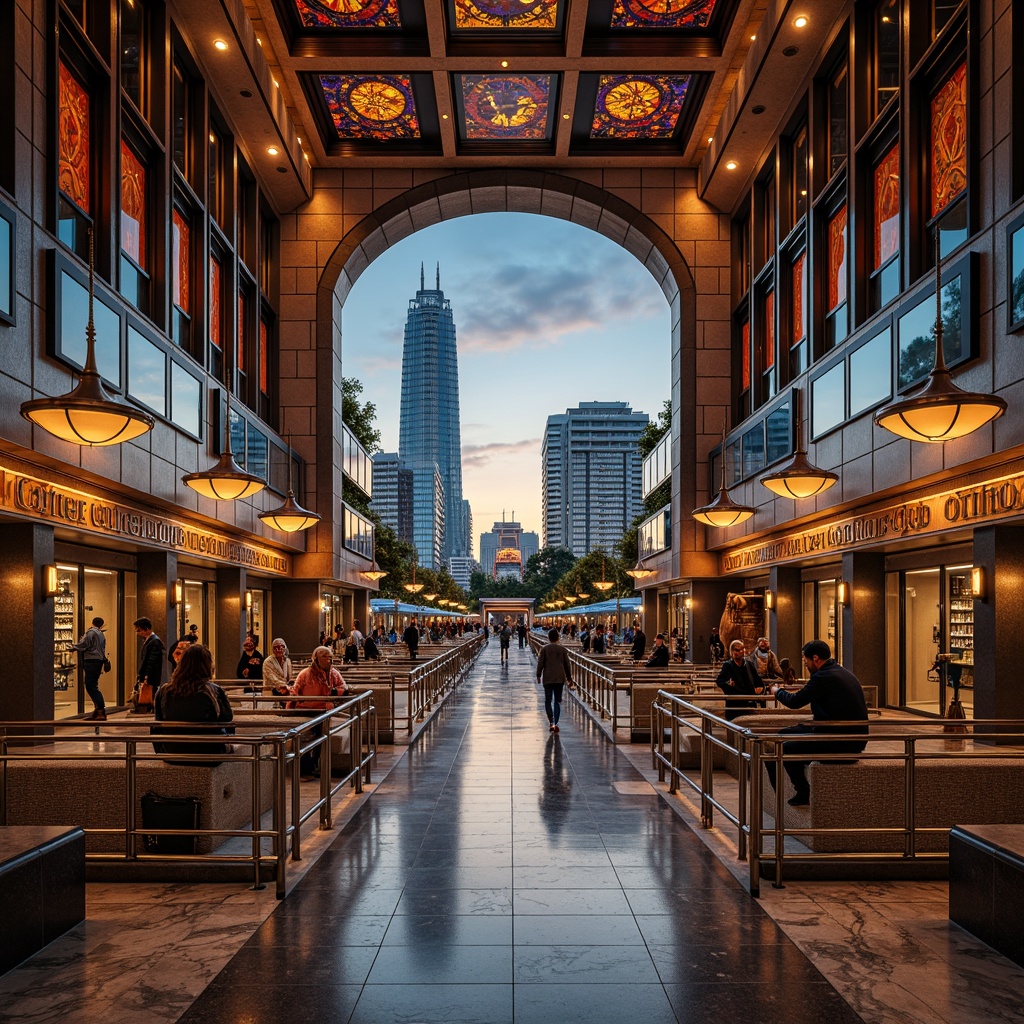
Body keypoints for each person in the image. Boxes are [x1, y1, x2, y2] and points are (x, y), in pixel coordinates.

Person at [767, 640, 869, 806]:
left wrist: (777, 691)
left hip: (841, 742)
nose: (805, 664)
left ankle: (800, 792)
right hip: (850, 738)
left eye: (805, 660)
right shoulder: (840, 671)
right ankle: (789, 787)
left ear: (815, 658)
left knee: (783, 747)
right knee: (782, 734)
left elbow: (795, 701)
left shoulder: (824, 677)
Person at [151, 644, 233, 765]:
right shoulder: (213, 690)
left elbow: (157, 722)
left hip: (171, 753)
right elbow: (227, 718)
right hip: (210, 754)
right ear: (207, 665)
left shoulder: (164, 691)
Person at [284, 646, 346, 778]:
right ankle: (305, 769)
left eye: (330, 657)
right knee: (305, 739)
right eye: (325, 657)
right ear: (316, 658)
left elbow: (343, 686)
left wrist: (336, 692)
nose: (329, 660)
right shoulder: (305, 674)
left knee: (321, 738)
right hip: (306, 712)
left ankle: (314, 765)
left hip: (324, 712)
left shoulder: (334, 674)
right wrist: (289, 711)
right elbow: (295, 692)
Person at [536, 628, 573, 733]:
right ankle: (555, 723)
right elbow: (567, 665)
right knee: (557, 701)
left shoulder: (544, 649)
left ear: (548, 637)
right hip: (559, 678)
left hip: (547, 678)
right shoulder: (562, 650)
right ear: (557, 637)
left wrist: (538, 675)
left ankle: (551, 721)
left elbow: (540, 663)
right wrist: (569, 678)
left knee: (548, 700)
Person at [70, 616, 107, 721]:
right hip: (98, 662)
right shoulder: (101, 634)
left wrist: (72, 647)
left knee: (90, 686)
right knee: (93, 684)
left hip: (91, 661)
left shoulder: (91, 633)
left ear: (92, 622)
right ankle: (98, 710)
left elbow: (84, 644)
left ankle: (100, 710)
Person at [715, 639, 763, 720]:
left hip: (748, 703)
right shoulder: (728, 665)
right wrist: (728, 684)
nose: (739, 652)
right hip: (734, 704)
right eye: (736, 650)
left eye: (740, 649)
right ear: (731, 652)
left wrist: (759, 689)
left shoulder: (749, 665)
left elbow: (758, 681)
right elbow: (720, 681)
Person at [132, 617, 164, 714]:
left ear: (146, 629)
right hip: (148, 672)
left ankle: (150, 709)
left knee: (150, 692)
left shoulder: (155, 641)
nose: (138, 633)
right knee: (147, 692)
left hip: (151, 673)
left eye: (139, 630)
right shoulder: (148, 640)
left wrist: (147, 675)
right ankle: (148, 708)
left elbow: (152, 660)